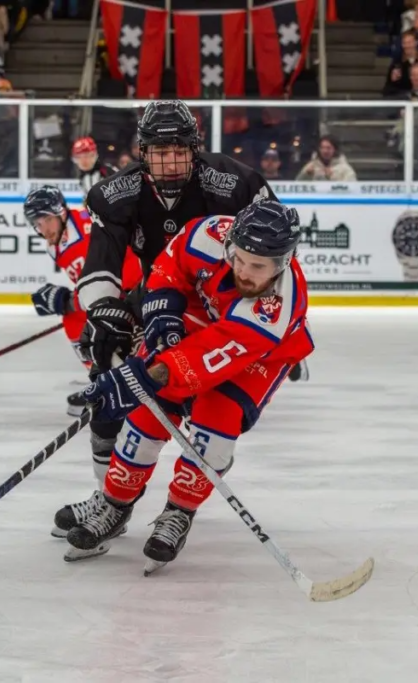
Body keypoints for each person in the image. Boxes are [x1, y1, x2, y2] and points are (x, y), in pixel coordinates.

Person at [55, 99, 286, 542]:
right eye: (159, 152)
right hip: (159, 293)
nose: (169, 161)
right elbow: (100, 266)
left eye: (178, 150)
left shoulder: (236, 184)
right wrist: (105, 315)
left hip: (222, 306)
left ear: (195, 148)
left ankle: (181, 503)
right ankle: (109, 499)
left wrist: (267, 333)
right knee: (109, 370)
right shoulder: (115, 192)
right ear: (141, 152)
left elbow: (270, 257)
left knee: (209, 412)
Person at [65, 200, 314, 571]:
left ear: (281, 263)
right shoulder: (211, 233)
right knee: (144, 421)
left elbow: (208, 358)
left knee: (214, 430)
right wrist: (163, 313)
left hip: (259, 357)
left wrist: (143, 378)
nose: (243, 271)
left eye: (257, 266)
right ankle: (114, 505)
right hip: (203, 324)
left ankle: (179, 512)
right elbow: (171, 265)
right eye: (238, 257)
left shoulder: (276, 308)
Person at [22, 185, 143, 418]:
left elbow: (121, 265)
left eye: (46, 219)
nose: (43, 229)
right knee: (73, 319)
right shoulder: (54, 245)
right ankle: (103, 379)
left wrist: (72, 300)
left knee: (81, 316)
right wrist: (70, 301)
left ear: (61, 212)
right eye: (37, 223)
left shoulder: (88, 224)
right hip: (110, 293)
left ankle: (120, 381)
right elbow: (86, 281)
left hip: (138, 286)